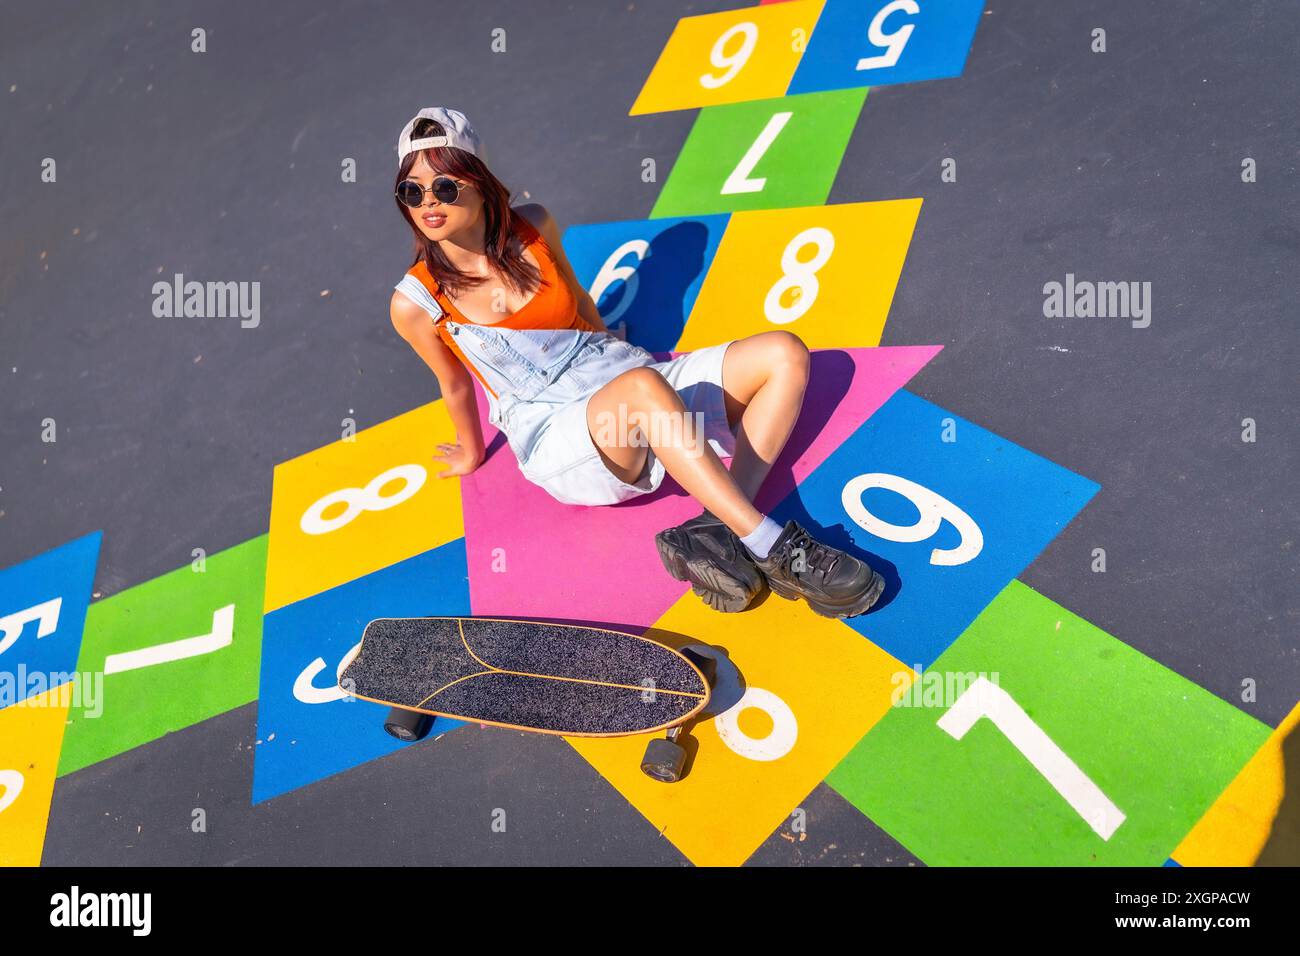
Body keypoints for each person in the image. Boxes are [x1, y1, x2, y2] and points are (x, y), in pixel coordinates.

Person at [389, 107, 883, 619]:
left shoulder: (532, 226)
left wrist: (613, 354)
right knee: (645, 389)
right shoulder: (416, 302)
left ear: (480, 182)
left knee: (783, 352)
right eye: (411, 191)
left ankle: (717, 527)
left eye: (444, 186)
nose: (428, 203)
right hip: (560, 432)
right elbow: (453, 384)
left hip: (625, 379)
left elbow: (580, 302)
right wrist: (471, 451)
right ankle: (776, 547)